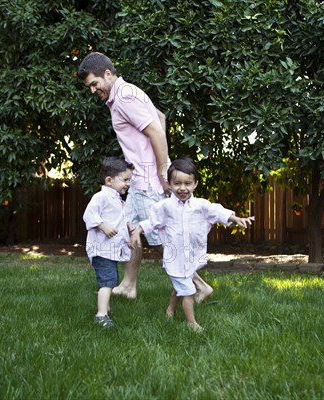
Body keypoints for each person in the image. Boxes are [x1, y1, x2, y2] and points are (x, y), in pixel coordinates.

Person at [77, 52, 213, 301]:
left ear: (108, 74)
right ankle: (129, 285)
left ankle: (199, 285)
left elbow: (157, 133)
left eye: (95, 84)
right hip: (141, 181)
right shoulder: (126, 94)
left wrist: (163, 173)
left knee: (163, 238)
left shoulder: (125, 98)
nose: (93, 90)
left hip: (148, 183)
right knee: (130, 230)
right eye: (90, 87)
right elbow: (160, 118)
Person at [129, 158, 255, 332]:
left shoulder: (200, 205)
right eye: (177, 183)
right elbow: (152, 222)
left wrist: (235, 218)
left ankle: (170, 311)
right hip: (175, 258)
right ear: (170, 184)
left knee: (181, 285)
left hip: (191, 257)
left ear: (195, 184)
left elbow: (217, 212)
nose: (183, 188)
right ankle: (191, 323)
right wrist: (137, 231)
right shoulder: (165, 207)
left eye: (188, 183)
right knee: (188, 291)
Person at [82, 157, 134, 329]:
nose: (128, 183)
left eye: (129, 180)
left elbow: (119, 219)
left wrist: (129, 228)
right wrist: (102, 225)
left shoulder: (117, 199)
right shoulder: (101, 197)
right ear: (109, 180)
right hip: (101, 248)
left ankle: (105, 306)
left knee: (110, 278)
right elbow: (88, 215)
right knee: (108, 280)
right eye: (125, 179)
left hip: (110, 249)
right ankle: (101, 315)